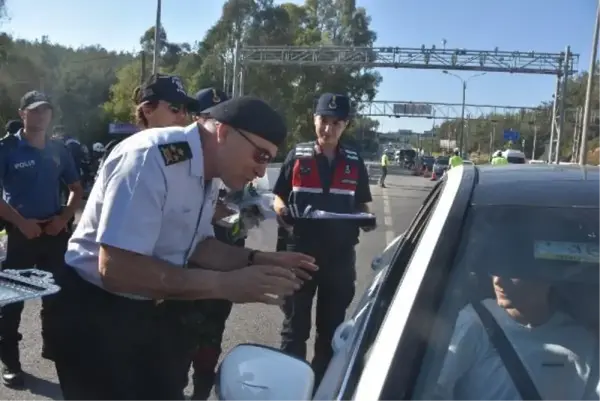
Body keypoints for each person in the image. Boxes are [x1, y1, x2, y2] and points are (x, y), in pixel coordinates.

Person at [50, 95, 318, 401]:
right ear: (224, 133)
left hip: (149, 309)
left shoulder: (209, 169)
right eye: (260, 156)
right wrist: (225, 284)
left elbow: (198, 245)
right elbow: (117, 268)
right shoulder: (152, 157)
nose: (261, 172)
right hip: (95, 315)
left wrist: (259, 259)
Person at [272, 93, 375, 386]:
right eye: (323, 121)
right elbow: (278, 197)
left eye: (336, 123)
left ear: (346, 125)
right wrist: (282, 212)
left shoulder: (355, 161)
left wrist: (366, 219)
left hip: (339, 257)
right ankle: (288, 386)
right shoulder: (297, 155)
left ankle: (322, 387)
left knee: (331, 330)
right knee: (294, 327)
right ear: (313, 119)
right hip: (299, 253)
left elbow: (361, 204)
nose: (327, 129)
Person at [0, 90, 83, 388]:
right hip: (22, 234)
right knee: (13, 301)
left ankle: (56, 349)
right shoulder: (7, 149)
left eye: (45, 110)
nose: (41, 115)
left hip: (53, 232)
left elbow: (76, 187)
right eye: (34, 110)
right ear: (23, 114)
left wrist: (63, 217)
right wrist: (21, 222)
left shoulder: (59, 149)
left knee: (58, 297)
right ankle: (10, 360)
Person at [188, 87, 242, 401]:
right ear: (198, 120)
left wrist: (241, 215)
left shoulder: (238, 164)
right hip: (188, 263)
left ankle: (200, 393)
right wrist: (211, 212)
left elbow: (251, 207)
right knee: (179, 337)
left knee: (211, 336)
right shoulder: (181, 163)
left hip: (226, 257)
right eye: (214, 118)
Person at [97, 73, 196, 175]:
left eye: (185, 110)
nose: (183, 115)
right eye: (175, 108)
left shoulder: (189, 153)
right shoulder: (127, 154)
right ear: (148, 111)